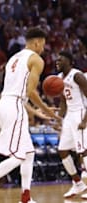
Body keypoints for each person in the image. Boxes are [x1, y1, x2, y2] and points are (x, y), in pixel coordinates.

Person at [0, 27, 61, 203]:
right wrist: (48, 111)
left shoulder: (13, 59)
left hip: (7, 104)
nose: (43, 49)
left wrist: (36, 113)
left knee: (28, 152)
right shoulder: (36, 59)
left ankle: (25, 198)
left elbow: (18, 93)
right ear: (37, 42)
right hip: (15, 106)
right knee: (18, 156)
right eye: (43, 45)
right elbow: (30, 92)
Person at [55, 51, 87, 198]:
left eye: (60, 59)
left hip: (81, 113)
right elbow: (63, 102)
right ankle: (78, 183)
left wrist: (85, 120)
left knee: (83, 151)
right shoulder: (59, 78)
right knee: (62, 150)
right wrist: (58, 119)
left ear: (69, 61)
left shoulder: (77, 75)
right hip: (69, 117)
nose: (57, 61)